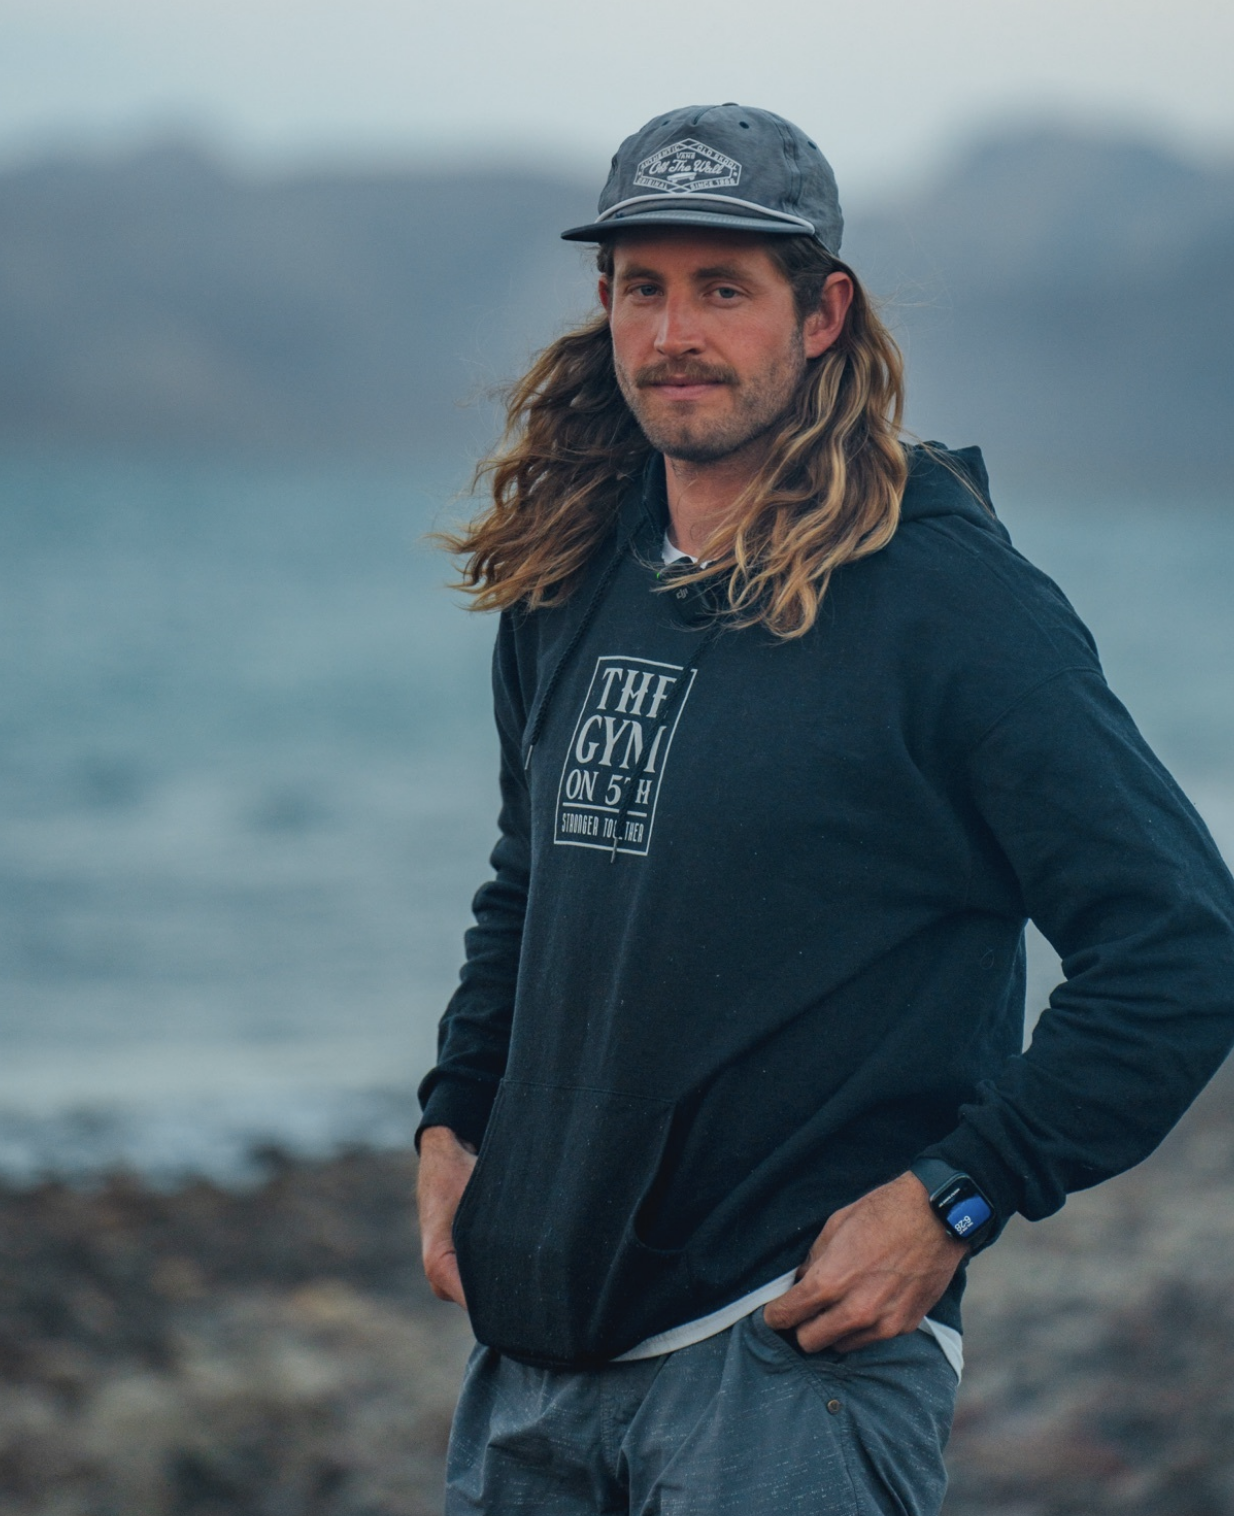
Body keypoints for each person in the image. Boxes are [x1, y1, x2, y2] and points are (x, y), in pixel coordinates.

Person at [415, 103, 1234, 1515]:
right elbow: (529, 882)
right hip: (534, 1355)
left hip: (787, 1357)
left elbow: (1179, 944)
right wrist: (454, 1119)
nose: (675, 332)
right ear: (604, 305)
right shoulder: (571, 579)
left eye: (723, 289)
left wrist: (960, 1197)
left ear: (822, 314)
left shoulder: (949, 603)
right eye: (642, 287)